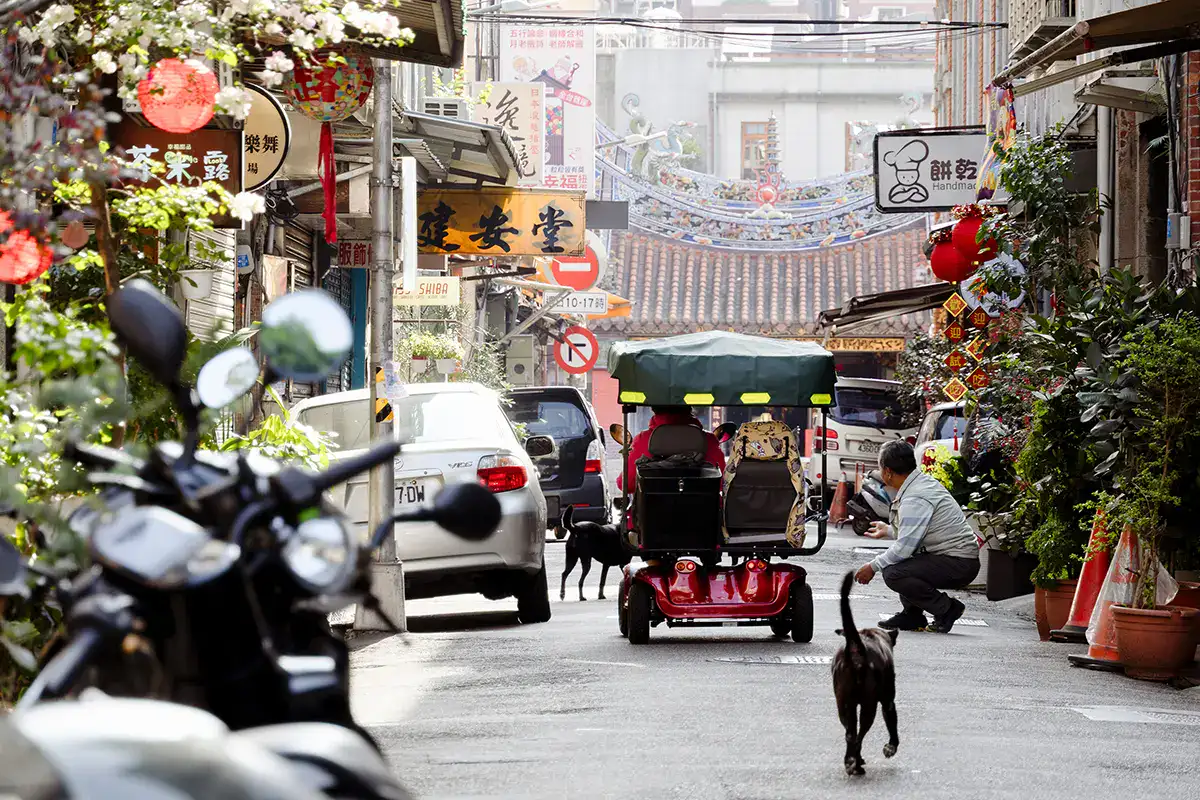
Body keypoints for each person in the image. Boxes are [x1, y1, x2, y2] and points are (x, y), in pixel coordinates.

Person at [854, 440, 979, 633]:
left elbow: (905, 548)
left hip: (959, 563)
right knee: (901, 565)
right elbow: (915, 532)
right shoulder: (919, 484)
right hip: (954, 558)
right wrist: (887, 530)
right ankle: (912, 615)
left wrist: (872, 567)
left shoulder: (915, 497)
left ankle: (947, 608)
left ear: (887, 471)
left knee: (893, 572)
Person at [615, 405, 726, 491]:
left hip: (652, 517)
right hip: (705, 516)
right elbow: (723, 482)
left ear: (653, 409)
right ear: (689, 408)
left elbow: (626, 485)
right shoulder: (709, 440)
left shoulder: (643, 439)